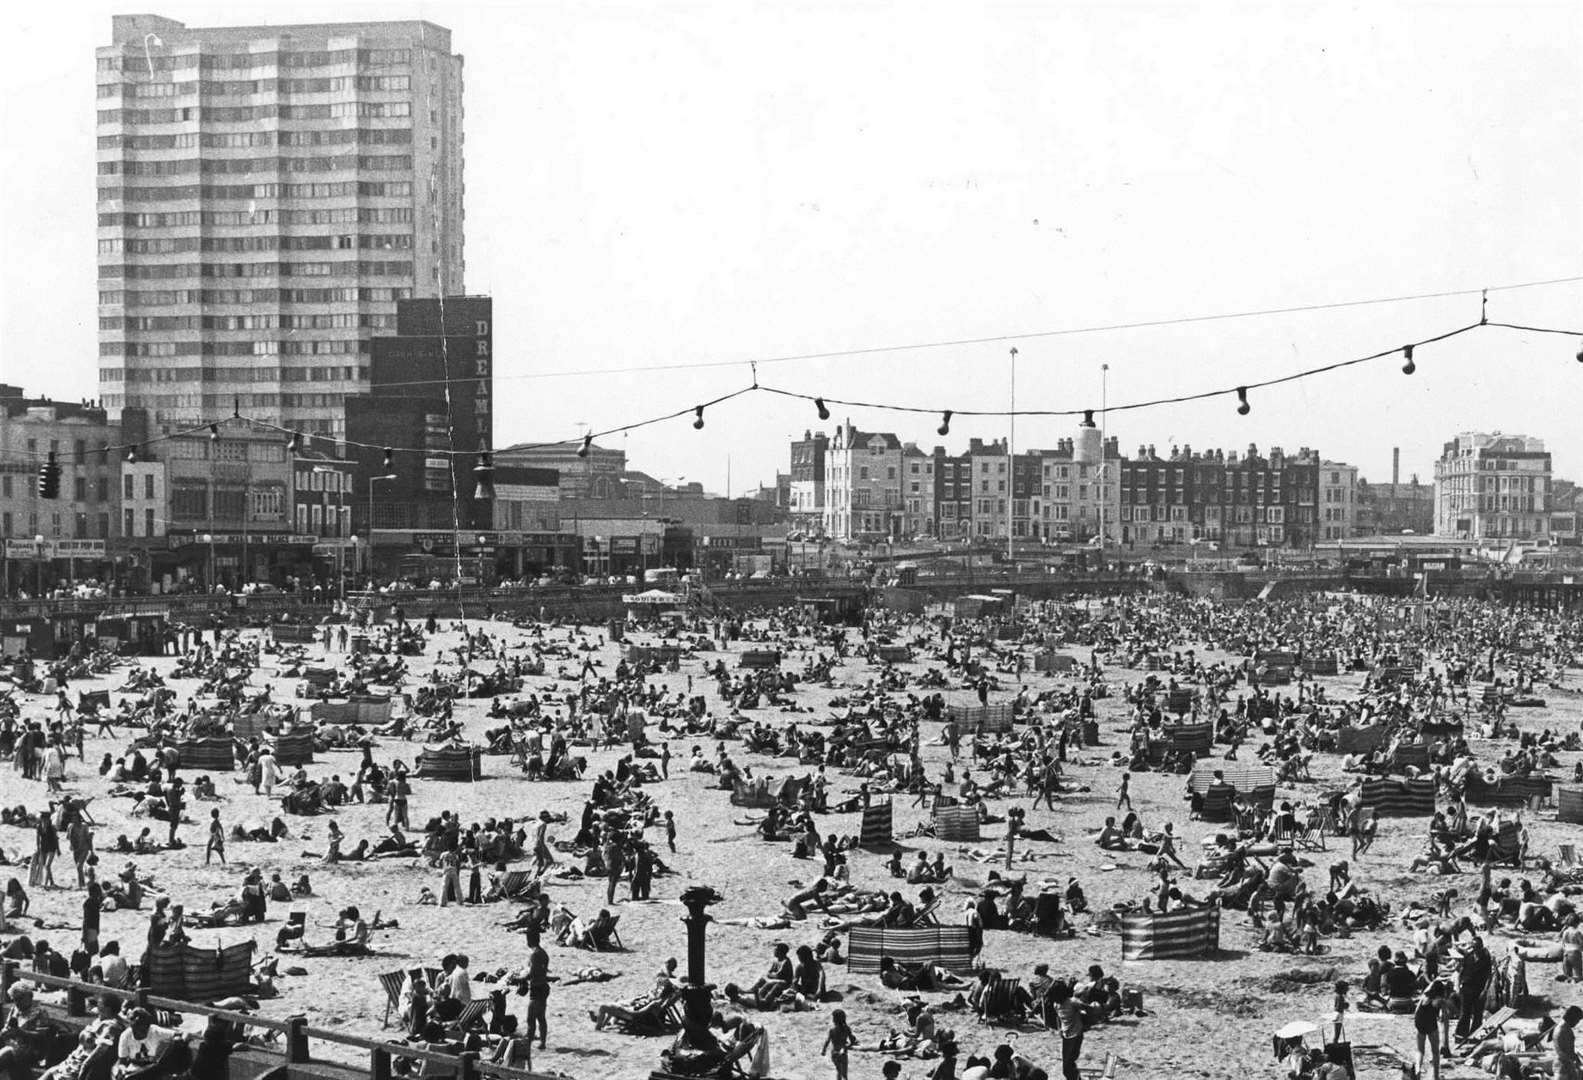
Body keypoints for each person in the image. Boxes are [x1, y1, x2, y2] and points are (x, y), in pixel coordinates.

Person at [1049, 978, 1084, 1080]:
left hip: (1076, 1035)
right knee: (1067, 1066)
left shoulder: (1072, 1002)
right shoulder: (1056, 1004)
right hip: (1066, 1036)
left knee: (1068, 1067)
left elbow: (1088, 1008)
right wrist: (1059, 1028)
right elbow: (1058, 1017)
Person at [525, 929, 551, 1050]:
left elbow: (531, 973)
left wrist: (519, 979)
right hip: (543, 986)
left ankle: (528, 1044)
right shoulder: (544, 953)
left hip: (536, 988)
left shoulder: (534, 954)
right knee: (541, 1017)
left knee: (531, 1019)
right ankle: (543, 1042)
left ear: (530, 940)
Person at [821, 1008, 857, 1080]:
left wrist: (824, 1050)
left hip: (835, 1053)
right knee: (844, 1074)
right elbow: (852, 1040)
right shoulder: (847, 1029)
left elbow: (827, 1041)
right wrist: (853, 1041)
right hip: (843, 1053)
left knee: (839, 1072)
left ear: (835, 1020)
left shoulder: (832, 1030)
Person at [1557, 1004, 1583, 1080]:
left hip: (1559, 1064)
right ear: (1572, 1018)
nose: (1577, 1023)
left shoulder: (1559, 1026)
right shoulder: (1566, 1030)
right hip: (1565, 1070)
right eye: (1577, 1020)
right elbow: (1570, 1053)